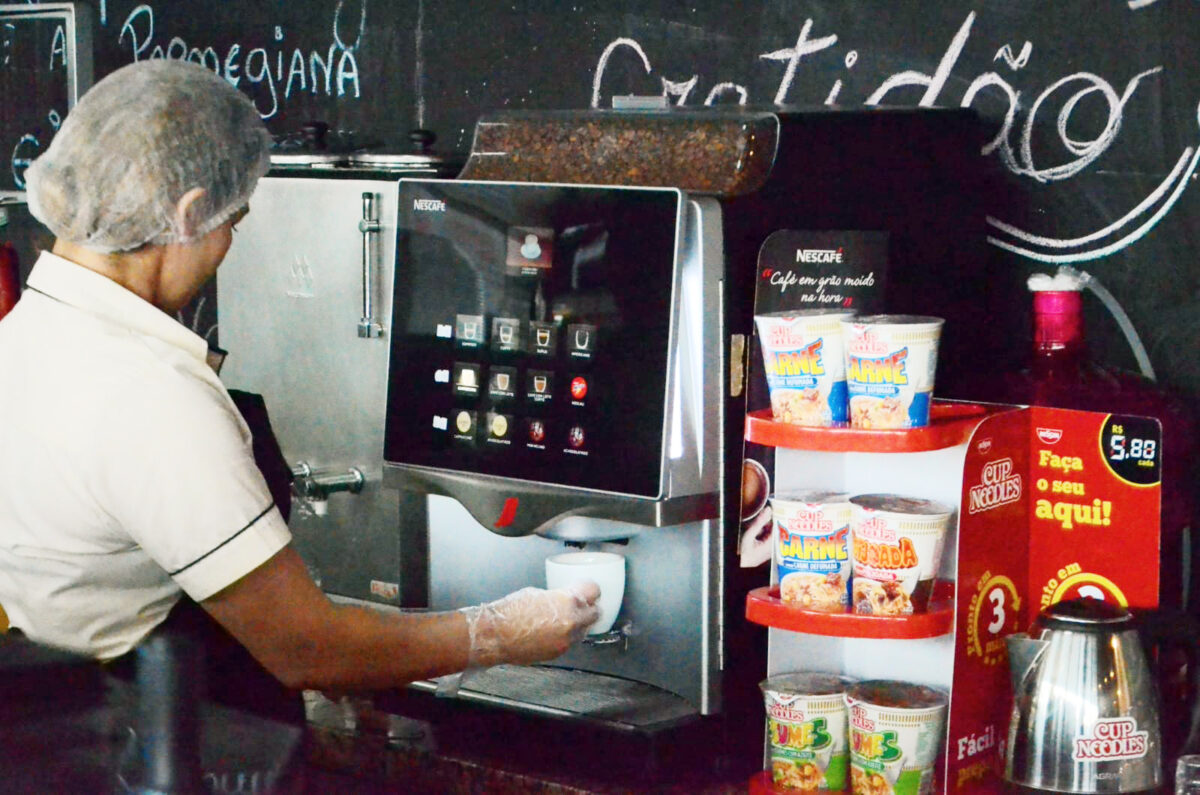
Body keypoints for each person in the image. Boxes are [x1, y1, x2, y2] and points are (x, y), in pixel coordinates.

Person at [0, 59, 600, 724]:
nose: (228, 242)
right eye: (235, 217)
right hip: (162, 746)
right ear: (189, 212)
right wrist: (496, 632)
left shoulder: (23, 336)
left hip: (57, 736)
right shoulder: (150, 396)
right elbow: (306, 647)